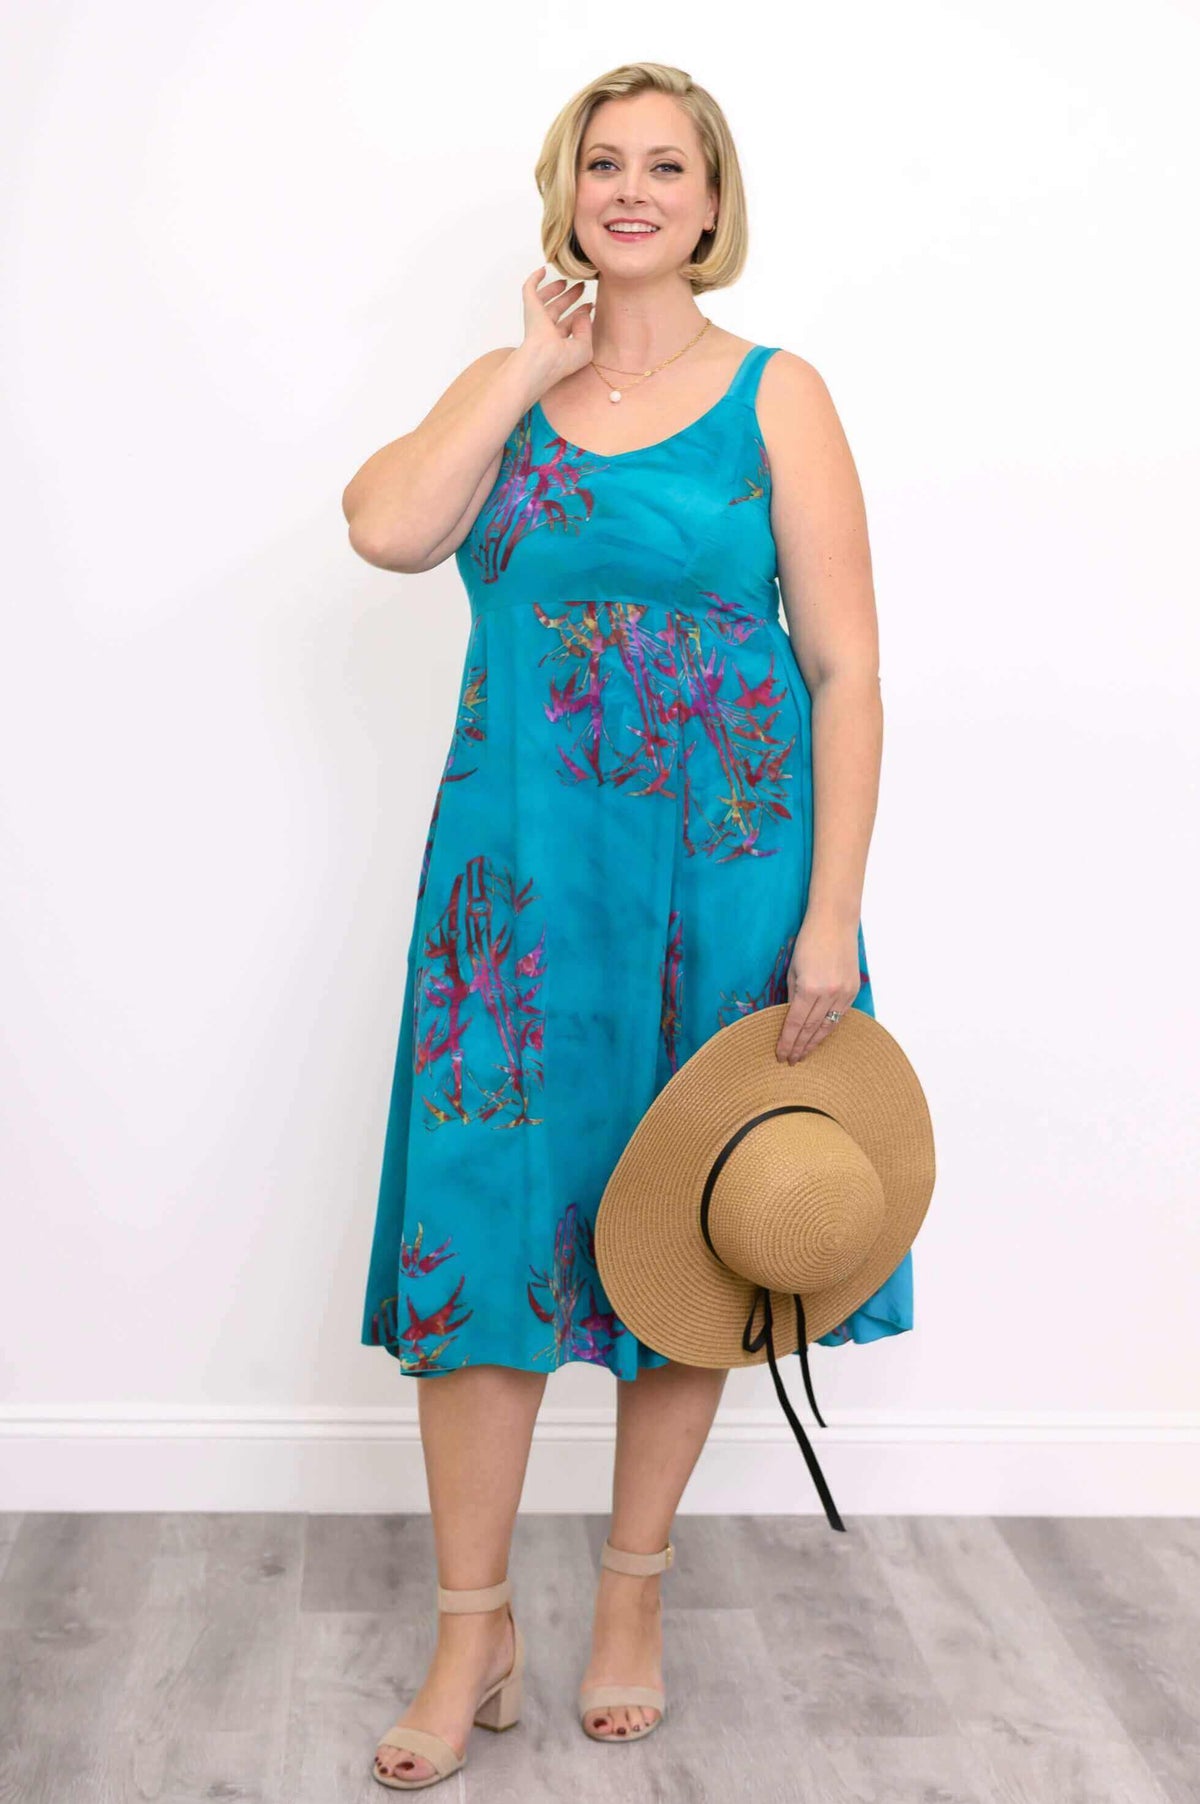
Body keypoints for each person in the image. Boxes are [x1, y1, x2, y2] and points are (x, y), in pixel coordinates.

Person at [343, 59, 909, 1790]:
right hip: (514, 905)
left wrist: (832, 918)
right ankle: (469, 1632)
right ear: (568, 191)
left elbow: (846, 667)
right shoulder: (505, 388)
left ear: (715, 203)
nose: (637, 189)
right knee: (486, 1256)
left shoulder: (779, 396)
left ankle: (632, 1601)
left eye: (671, 166)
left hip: (724, 888)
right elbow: (383, 530)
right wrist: (528, 363)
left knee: (690, 1251)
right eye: (608, 163)